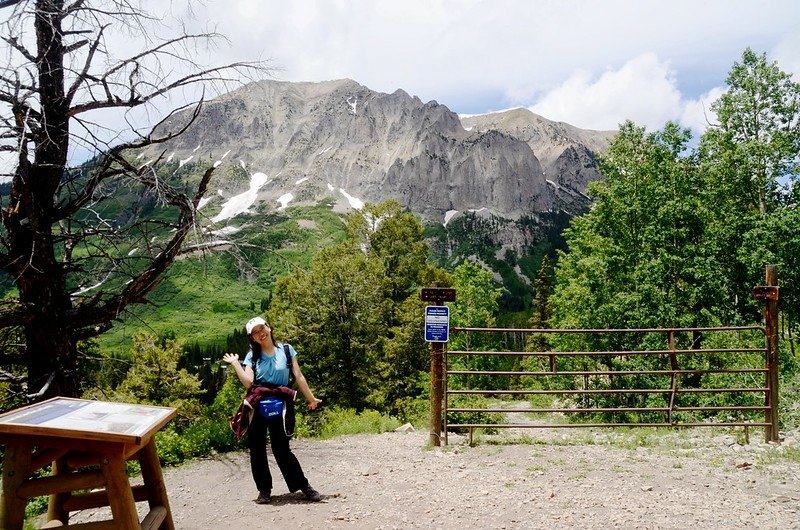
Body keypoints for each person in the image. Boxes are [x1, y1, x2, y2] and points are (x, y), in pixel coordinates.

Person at [223, 316, 323, 504]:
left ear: (269, 327)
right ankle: (264, 490)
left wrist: (310, 398)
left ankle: (304, 486)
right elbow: (249, 383)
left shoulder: (286, 350)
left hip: (281, 405)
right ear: (252, 338)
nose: (261, 333)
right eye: (255, 332)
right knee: (257, 449)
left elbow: (298, 375)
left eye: (262, 328)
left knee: (282, 449)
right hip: (257, 406)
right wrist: (236, 364)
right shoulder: (252, 356)